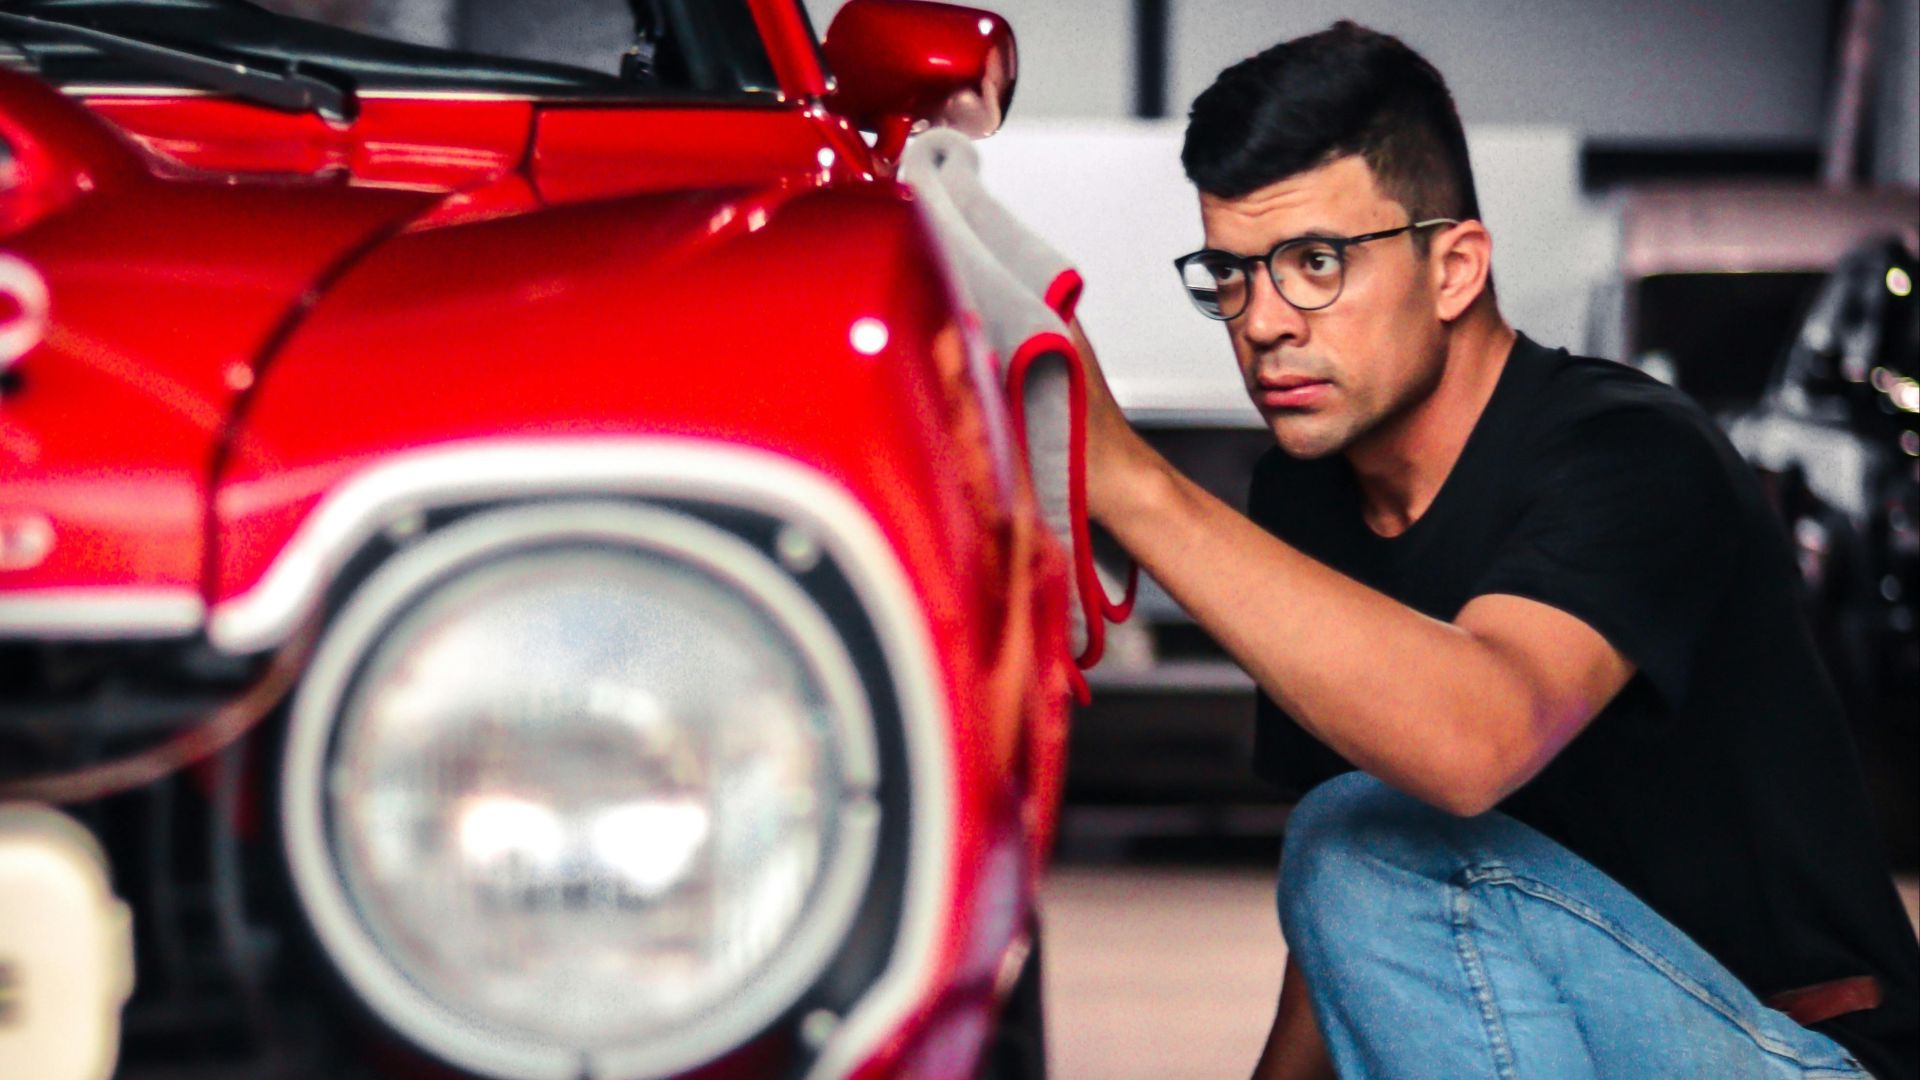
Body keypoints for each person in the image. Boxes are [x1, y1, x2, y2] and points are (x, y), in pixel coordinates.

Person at [1069, 21, 1920, 1080]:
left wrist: (1135, 487)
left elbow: (1471, 741)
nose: (1263, 321)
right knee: (1352, 845)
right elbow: (1359, 932)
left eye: (1316, 264)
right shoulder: (1305, 498)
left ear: (1455, 267)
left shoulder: (1633, 453)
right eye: (1231, 274)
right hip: (1565, 1034)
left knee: (1357, 842)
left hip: (1798, 1050)